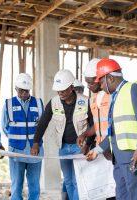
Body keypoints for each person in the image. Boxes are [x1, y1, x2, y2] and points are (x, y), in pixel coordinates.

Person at [87, 58, 137, 200]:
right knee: (122, 196)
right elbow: (114, 131)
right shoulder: (115, 96)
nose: (100, 85)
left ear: (110, 78)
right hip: (119, 158)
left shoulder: (134, 89)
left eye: (101, 81)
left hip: (134, 156)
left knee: (136, 196)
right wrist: (98, 150)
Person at [31, 69, 95, 200]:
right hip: (63, 147)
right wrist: (36, 142)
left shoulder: (85, 101)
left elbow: (94, 125)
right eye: (58, 90)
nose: (60, 93)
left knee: (78, 181)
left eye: (63, 90)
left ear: (71, 87)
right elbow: (43, 123)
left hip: (80, 147)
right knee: (68, 181)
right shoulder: (53, 102)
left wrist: (87, 145)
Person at [1, 73, 44, 200]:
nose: (24, 93)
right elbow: (4, 127)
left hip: (35, 152)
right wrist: (16, 139)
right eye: (21, 91)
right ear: (16, 89)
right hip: (16, 152)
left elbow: (42, 126)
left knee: (34, 185)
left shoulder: (38, 103)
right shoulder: (8, 104)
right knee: (16, 185)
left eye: (26, 91)